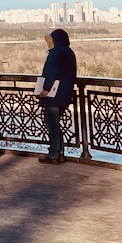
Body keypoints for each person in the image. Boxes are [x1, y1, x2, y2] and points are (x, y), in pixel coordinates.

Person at [35, 28, 78, 164]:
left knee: (51, 123)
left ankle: (54, 154)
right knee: (55, 123)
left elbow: (52, 71)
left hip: (54, 94)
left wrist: (46, 88)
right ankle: (60, 153)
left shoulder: (57, 52)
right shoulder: (68, 51)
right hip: (64, 92)